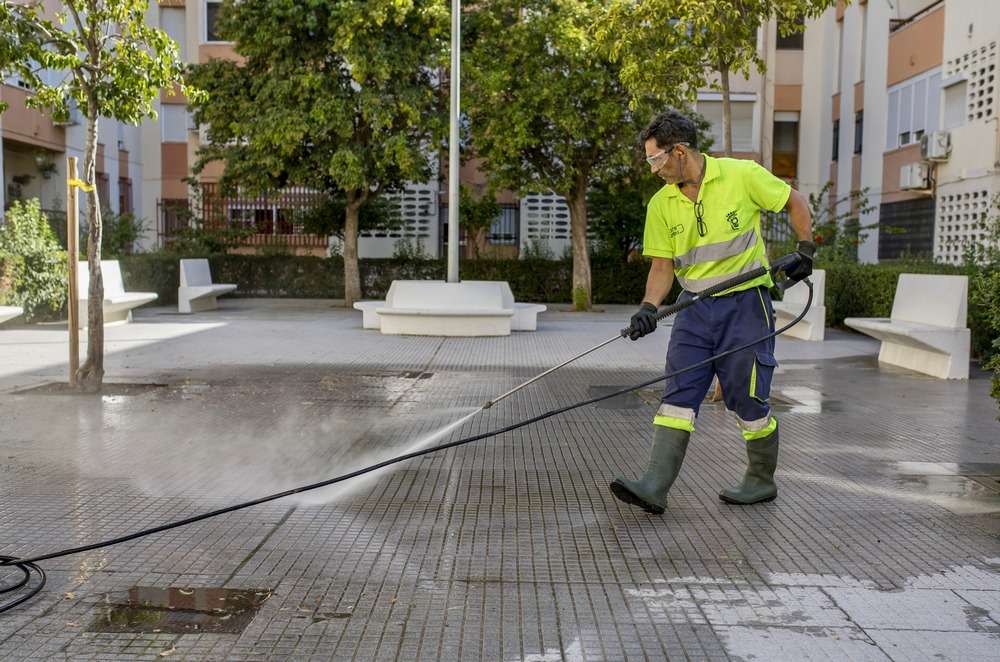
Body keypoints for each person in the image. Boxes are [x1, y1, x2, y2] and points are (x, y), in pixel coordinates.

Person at [610, 109, 814, 515]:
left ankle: (760, 479)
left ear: (679, 151)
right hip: (694, 310)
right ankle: (654, 485)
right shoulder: (661, 204)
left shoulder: (741, 175)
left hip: (746, 305)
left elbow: (794, 202)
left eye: (655, 159)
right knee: (679, 390)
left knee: (746, 396)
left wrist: (806, 248)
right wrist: (648, 308)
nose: (653, 169)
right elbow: (662, 267)